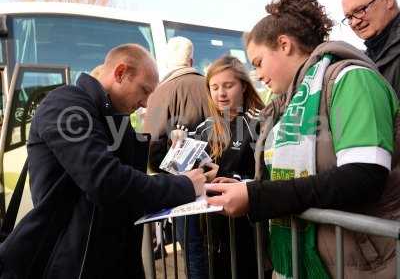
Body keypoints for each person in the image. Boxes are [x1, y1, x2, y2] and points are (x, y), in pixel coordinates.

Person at [206, 0, 400, 278]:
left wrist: (257, 196)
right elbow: (297, 175)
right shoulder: (287, 103)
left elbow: (364, 176)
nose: (257, 75)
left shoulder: (352, 80)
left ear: (284, 44)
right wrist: (244, 185)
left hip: (362, 262)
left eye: (258, 62)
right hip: (319, 259)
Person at [0, 44, 207, 278]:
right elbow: (106, 180)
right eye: (144, 90)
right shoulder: (65, 103)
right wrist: (184, 186)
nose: (146, 103)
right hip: (68, 265)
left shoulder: (113, 119)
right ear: (120, 73)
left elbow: (130, 182)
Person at [174, 55, 264, 278]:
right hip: (213, 230)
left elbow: (266, 175)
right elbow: (179, 165)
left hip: (250, 230)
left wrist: (224, 174)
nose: (220, 94)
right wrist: (177, 143)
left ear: (243, 86)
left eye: (228, 86)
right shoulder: (205, 127)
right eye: (214, 87)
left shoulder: (259, 122)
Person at [143, 36, 209, 172]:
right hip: (214, 174)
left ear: (167, 63)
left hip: (174, 180)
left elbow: (151, 149)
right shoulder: (211, 87)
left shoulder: (157, 92)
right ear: (191, 61)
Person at [341, 0, 400, 95]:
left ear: (388, 0)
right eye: (349, 17)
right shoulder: (362, 61)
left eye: (359, 10)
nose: (354, 23)